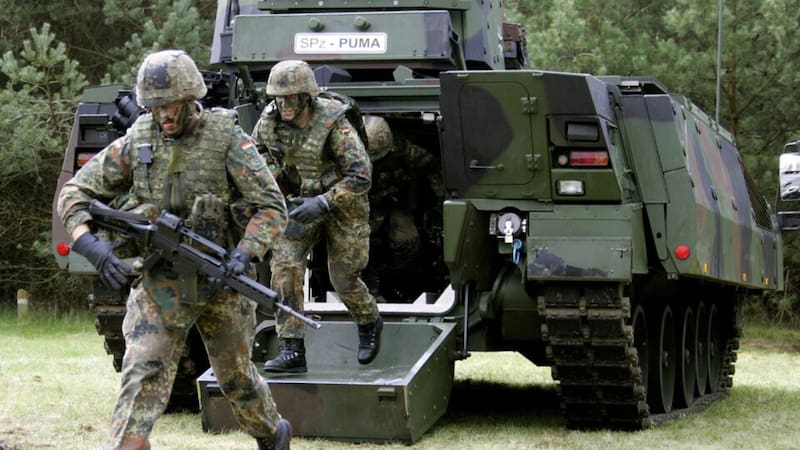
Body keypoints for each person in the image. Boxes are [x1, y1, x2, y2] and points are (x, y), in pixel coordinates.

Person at [57, 49, 291, 450]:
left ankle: (272, 433)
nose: (163, 114)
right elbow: (75, 192)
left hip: (221, 279)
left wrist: (246, 252)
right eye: (155, 106)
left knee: (236, 379)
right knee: (142, 368)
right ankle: (128, 444)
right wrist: (91, 246)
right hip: (160, 280)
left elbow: (272, 206)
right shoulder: (138, 139)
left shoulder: (227, 137)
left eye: (171, 105)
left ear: (191, 98)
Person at [251, 59, 382, 374]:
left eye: (290, 98)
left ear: (306, 96)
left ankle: (369, 321)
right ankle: (292, 348)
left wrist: (324, 202)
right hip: (299, 204)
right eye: (278, 98)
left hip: (342, 205)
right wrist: (279, 186)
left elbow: (361, 176)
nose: (283, 105)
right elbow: (256, 158)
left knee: (343, 277)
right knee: (284, 266)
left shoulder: (334, 122)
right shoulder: (268, 123)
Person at [362, 115, 445, 302]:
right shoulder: (347, 155)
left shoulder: (405, 151)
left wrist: (440, 203)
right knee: (358, 245)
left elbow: (433, 166)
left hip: (393, 203)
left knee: (408, 240)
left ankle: (395, 278)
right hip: (361, 206)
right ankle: (369, 283)